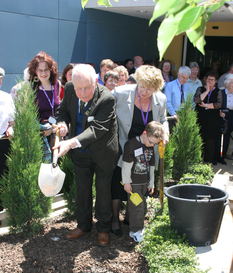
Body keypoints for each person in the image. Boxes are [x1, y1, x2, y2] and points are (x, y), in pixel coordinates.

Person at [54, 64, 121, 246]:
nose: (83, 93)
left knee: (103, 192)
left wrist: (70, 142)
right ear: (71, 84)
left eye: (87, 87)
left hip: (103, 153)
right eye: (78, 88)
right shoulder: (69, 89)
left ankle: (103, 229)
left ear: (96, 81)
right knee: (82, 190)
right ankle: (83, 225)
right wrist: (62, 124)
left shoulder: (106, 98)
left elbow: (97, 129)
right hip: (80, 153)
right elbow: (64, 111)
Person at [112, 65, 169, 236]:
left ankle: (131, 217)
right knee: (117, 183)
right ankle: (114, 218)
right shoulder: (120, 93)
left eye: (149, 89)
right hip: (124, 146)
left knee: (141, 183)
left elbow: (164, 119)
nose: (144, 91)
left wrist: (165, 132)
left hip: (147, 149)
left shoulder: (161, 99)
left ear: (156, 89)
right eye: (142, 86)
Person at [122, 121, 165, 242]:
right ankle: (135, 231)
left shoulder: (150, 146)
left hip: (144, 182)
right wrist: (126, 182)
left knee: (141, 206)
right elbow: (126, 166)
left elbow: (151, 167)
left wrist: (151, 183)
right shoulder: (131, 144)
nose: (151, 145)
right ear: (144, 133)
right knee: (138, 207)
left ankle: (131, 222)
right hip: (133, 183)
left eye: (154, 144)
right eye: (151, 142)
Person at [27, 51, 60, 162]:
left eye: (46, 69)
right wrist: (41, 127)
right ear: (35, 71)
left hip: (55, 132)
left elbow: (58, 108)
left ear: (51, 70)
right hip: (40, 134)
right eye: (40, 70)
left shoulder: (57, 84)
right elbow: (28, 114)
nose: (43, 73)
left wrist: (55, 126)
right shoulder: (31, 86)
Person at [194, 70, 222, 165]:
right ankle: (198, 161)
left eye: (212, 80)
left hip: (212, 120)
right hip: (201, 118)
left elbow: (218, 104)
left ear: (215, 81)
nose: (210, 82)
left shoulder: (218, 91)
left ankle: (209, 161)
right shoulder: (200, 89)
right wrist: (207, 91)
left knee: (210, 141)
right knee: (200, 139)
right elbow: (197, 100)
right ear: (205, 79)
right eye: (208, 79)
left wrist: (206, 105)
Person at [0, 86, 15, 212]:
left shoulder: (6, 97)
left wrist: (11, 127)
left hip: (3, 140)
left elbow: (12, 119)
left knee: (3, 175)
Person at [165, 65, 191, 133]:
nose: (185, 80)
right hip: (173, 114)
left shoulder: (187, 87)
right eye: (183, 77)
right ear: (178, 74)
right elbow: (167, 102)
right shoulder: (170, 85)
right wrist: (173, 114)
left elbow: (188, 102)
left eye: (187, 78)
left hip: (183, 114)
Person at [218, 74, 233, 162]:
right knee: (221, 135)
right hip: (222, 114)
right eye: (232, 83)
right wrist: (220, 111)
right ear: (226, 84)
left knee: (228, 136)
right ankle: (218, 156)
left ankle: (224, 155)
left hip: (231, 114)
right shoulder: (221, 92)